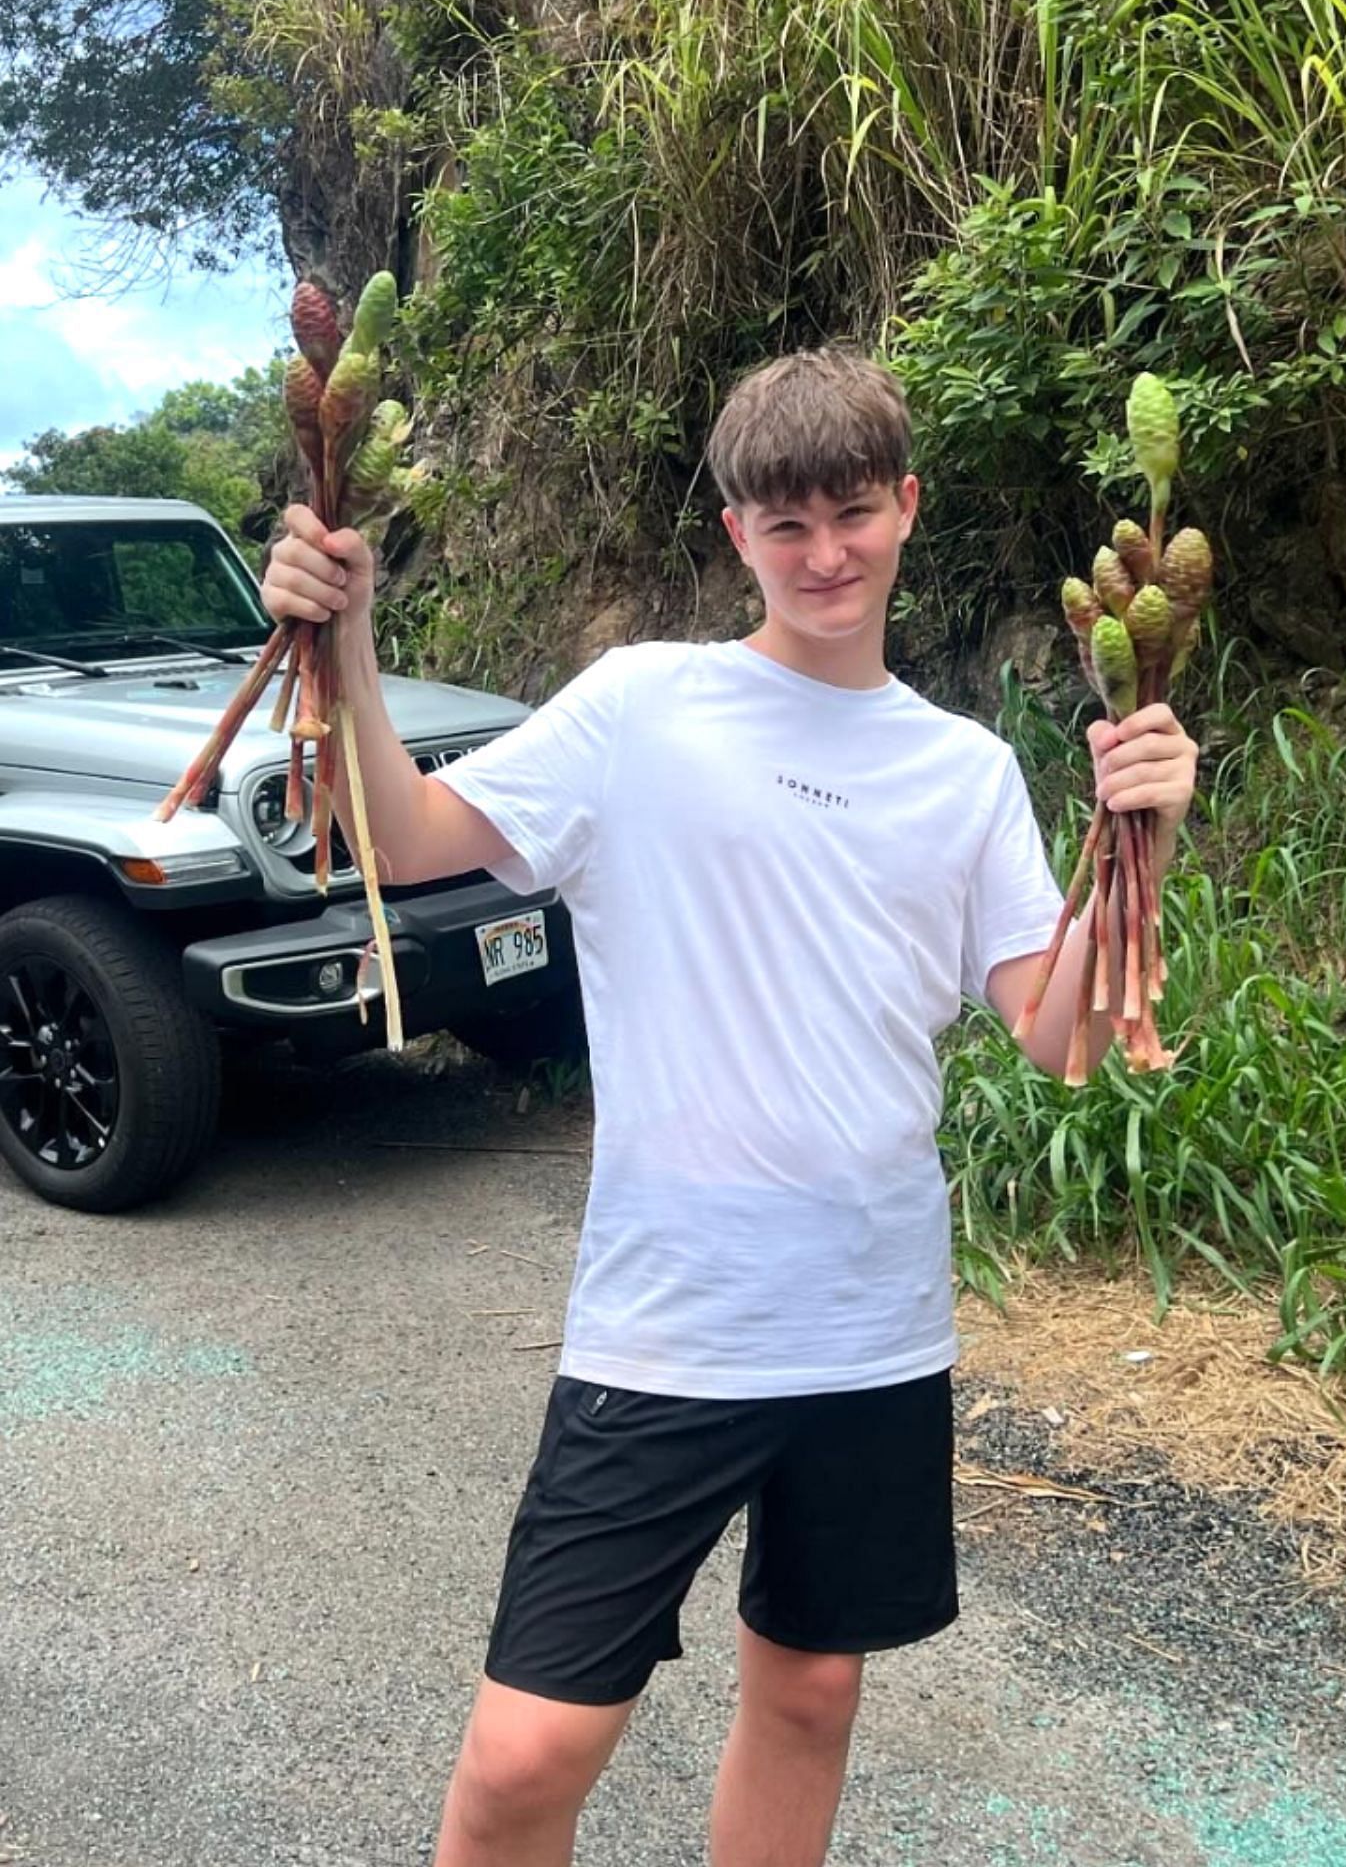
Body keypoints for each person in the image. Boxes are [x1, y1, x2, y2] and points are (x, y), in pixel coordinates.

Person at [260, 348, 1198, 1867]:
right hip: (671, 1320)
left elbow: (1060, 1036)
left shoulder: (958, 772)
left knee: (813, 1691)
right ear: (734, 536)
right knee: (525, 1754)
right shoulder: (642, 708)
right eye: (785, 524)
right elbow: (399, 831)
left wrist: (1131, 838)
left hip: (869, 1321)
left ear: (904, 507)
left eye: (850, 513)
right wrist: (346, 640)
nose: (824, 553)